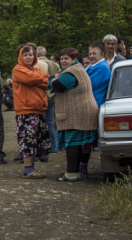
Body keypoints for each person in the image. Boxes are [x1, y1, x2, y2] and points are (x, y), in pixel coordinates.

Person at [50, 47, 99, 182]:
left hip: (76, 114)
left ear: (74, 59)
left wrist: (53, 79)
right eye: (62, 59)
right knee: (78, 144)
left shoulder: (71, 72)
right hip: (83, 112)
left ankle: (71, 173)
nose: (63, 61)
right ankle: (75, 170)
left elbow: (56, 87)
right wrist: (55, 78)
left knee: (72, 142)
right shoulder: (78, 69)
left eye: (67, 58)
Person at [12, 46, 50, 178]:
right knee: (28, 140)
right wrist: (38, 78)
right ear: (21, 57)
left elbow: (47, 83)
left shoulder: (36, 70)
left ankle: (32, 169)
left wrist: (36, 77)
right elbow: (32, 79)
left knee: (37, 140)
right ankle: (28, 169)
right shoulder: (18, 69)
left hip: (39, 109)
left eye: (30, 55)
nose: (28, 57)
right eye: (25, 55)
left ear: (35, 56)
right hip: (26, 110)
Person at [37, 46, 60, 156]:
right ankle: (55, 146)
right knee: (51, 121)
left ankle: (41, 146)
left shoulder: (35, 64)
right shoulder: (54, 64)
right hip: (51, 95)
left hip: (39, 96)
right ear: (45, 53)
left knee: (39, 122)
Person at [86, 41, 111, 107]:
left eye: (94, 54)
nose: (91, 56)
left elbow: (87, 84)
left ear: (102, 54)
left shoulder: (102, 67)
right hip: (89, 101)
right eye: (90, 54)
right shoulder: (93, 65)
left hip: (94, 102)